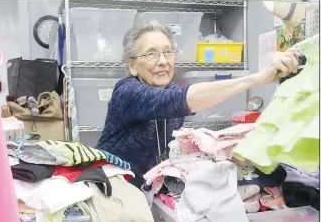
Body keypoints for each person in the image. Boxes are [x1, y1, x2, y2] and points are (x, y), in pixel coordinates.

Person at [96, 21, 301, 188]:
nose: (163, 62)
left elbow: (188, 99)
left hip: (153, 189)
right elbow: (179, 100)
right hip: (115, 189)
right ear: (132, 65)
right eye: (151, 54)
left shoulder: (171, 89)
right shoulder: (126, 91)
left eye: (168, 52)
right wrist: (257, 78)